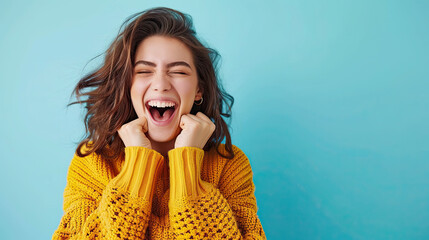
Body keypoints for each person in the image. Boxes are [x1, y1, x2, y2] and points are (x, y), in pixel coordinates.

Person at [52, 7, 266, 240]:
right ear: (127, 86)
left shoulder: (229, 166)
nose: (160, 84)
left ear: (198, 90)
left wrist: (187, 162)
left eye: (179, 72)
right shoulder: (92, 163)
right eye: (144, 71)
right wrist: (138, 166)